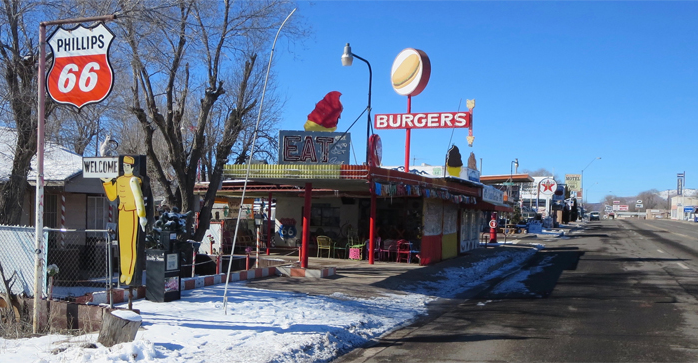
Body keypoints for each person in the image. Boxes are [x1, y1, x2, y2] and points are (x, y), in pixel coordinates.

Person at [101, 156, 147, 285]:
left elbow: (139, 198)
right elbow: (112, 195)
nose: (125, 168)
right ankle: (124, 272)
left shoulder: (135, 180)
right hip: (122, 212)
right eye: (124, 166)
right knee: (123, 244)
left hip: (132, 213)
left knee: (131, 244)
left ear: (132, 167)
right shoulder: (119, 180)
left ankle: (130, 273)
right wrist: (107, 182)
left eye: (128, 166)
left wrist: (142, 215)